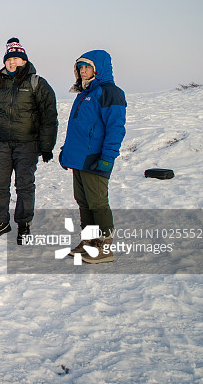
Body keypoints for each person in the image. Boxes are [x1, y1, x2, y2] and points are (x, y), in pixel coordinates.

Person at [0, 38, 58, 244]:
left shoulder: (37, 83)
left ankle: (23, 224)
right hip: (3, 143)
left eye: (16, 59)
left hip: (27, 144)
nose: (12, 63)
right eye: (9, 59)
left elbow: (49, 116)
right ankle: (1, 221)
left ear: (24, 60)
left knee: (24, 185)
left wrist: (47, 146)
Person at [60, 50, 127, 264]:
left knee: (97, 202)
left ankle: (104, 246)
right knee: (83, 201)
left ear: (98, 69)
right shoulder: (84, 93)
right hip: (80, 158)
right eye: (80, 67)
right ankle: (89, 241)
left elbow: (116, 128)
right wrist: (66, 152)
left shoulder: (110, 92)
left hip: (96, 156)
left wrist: (108, 157)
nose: (82, 71)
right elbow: (78, 128)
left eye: (86, 67)